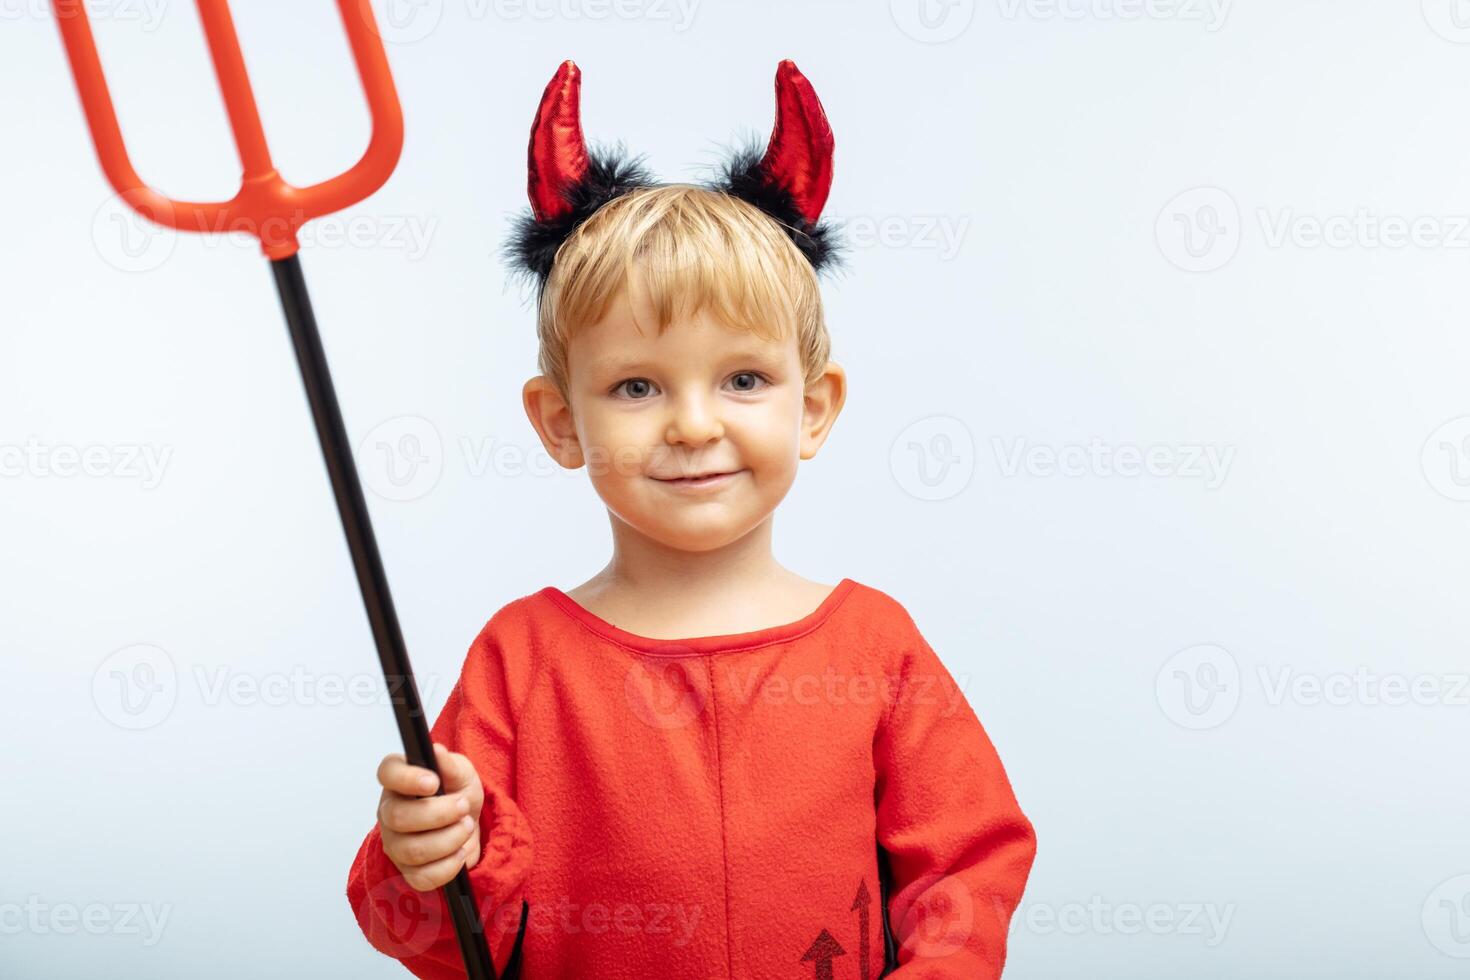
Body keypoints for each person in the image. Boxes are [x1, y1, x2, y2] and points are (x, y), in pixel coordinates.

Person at [346, 58, 1037, 979]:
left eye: (744, 379)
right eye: (636, 385)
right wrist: (424, 854)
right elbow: (438, 934)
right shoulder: (520, 659)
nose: (694, 424)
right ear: (561, 422)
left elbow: (966, 867)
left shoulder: (877, 646)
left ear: (816, 407)